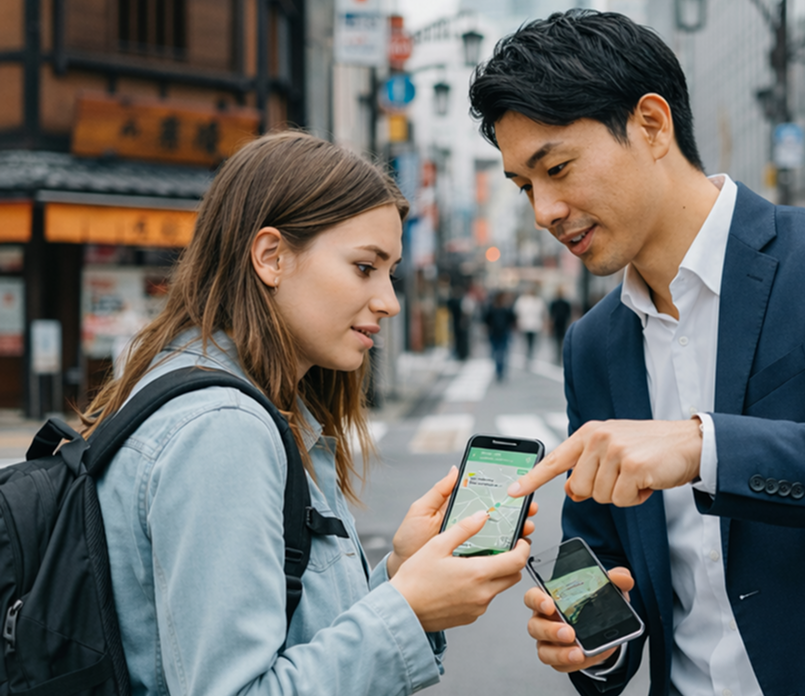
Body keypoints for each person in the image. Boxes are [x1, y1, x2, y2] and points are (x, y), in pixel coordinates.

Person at [469, 10, 805, 696]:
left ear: (652, 124)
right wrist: (588, 639)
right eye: (524, 187)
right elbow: (603, 548)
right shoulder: (594, 344)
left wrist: (703, 448)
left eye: (558, 168)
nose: (543, 210)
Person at [82, 131, 533, 695]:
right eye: (366, 268)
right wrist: (407, 610)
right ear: (272, 257)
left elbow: (296, 638)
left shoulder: (251, 402)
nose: (389, 301)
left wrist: (400, 573)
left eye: (390, 273)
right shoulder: (221, 428)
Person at [484, 291, 516, 380]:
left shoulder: (497, 308)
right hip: (498, 332)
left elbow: (486, 320)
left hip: (500, 332)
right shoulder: (502, 308)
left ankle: (499, 370)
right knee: (499, 352)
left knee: (499, 352)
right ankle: (499, 370)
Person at [513, 285, 547, 361]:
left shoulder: (536, 301)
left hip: (532, 324)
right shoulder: (524, 300)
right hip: (527, 324)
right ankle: (528, 352)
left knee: (530, 340)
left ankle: (529, 353)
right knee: (528, 340)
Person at [548, 288, 573, 363]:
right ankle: (558, 355)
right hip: (558, 323)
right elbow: (551, 314)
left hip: (562, 323)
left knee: (560, 340)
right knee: (558, 340)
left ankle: (559, 355)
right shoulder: (555, 303)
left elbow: (569, 314)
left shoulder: (564, 303)